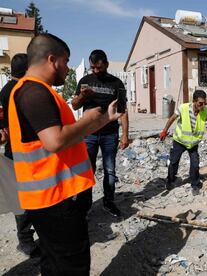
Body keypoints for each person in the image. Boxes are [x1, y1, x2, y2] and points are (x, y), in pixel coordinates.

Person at [8, 33, 122, 275]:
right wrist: (91, 117)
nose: (68, 69)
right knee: (72, 265)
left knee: (55, 262)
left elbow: (68, 135)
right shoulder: (33, 92)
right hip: (53, 199)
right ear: (52, 60)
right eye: (66, 61)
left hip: (54, 196)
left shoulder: (38, 91)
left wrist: (103, 119)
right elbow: (56, 141)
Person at [71, 49, 129, 217]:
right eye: (93, 68)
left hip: (110, 134)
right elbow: (75, 105)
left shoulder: (117, 83)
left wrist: (125, 135)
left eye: (99, 68)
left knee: (110, 170)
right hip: (89, 134)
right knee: (87, 169)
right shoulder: (85, 81)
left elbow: (123, 111)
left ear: (106, 65)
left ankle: (109, 202)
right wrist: (82, 95)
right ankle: (85, 205)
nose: (96, 71)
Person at [0, 53, 41, 258]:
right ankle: (25, 241)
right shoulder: (20, 91)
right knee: (25, 199)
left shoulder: (5, 90)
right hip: (22, 153)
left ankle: (26, 238)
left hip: (13, 152)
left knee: (23, 198)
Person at [160, 90, 207, 195]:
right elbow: (172, 119)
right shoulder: (183, 108)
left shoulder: (205, 112)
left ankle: (195, 184)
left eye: (204, 103)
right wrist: (164, 131)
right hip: (179, 141)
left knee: (195, 164)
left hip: (193, 144)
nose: (202, 106)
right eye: (200, 103)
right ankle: (170, 180)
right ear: (194, 101)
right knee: (174, 162)